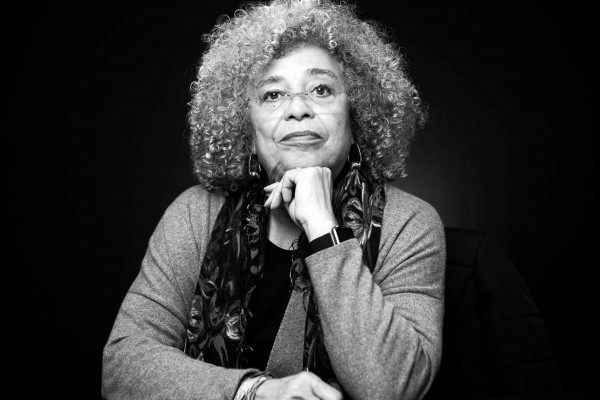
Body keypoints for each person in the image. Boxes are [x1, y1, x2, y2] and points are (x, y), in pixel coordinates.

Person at [101, 0, 445, 399]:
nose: (298, 108)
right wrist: (253, 391)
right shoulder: (196, 214)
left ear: (357, 116)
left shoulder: (409, 224)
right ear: (246, 128)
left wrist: (324, 229)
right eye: (272, 94)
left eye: (321, 89)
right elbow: (122, 364)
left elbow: (392, 387)